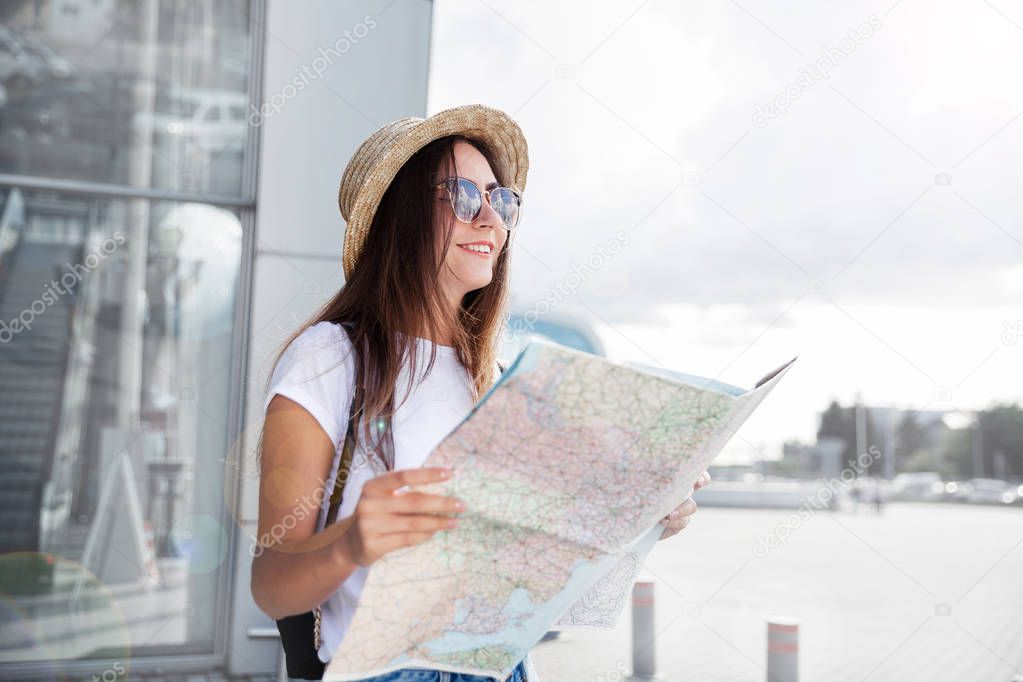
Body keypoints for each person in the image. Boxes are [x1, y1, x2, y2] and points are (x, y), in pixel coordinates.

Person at [250, 104, 706, 682]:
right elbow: (271, 587)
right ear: (402, 215)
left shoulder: (496, 378)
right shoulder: (328, 358)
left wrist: (643, 514)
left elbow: (534, 580)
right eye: (464, 195)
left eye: (501, 199)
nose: (490, 217)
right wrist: (349, 544)